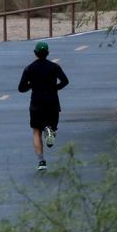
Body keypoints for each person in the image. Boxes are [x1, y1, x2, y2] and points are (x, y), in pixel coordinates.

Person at [18, 41, 69, 170]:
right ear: (48, 53)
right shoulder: (54, 67)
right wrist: (55, 88)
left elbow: (21, 88)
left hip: (36, 103)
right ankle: (50, 131)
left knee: (36, 131)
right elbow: (65, 81)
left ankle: (41, 162)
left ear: (35, 53)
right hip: (52, 102)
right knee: (51, 125)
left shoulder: (29, 68)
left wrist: (31, 85)